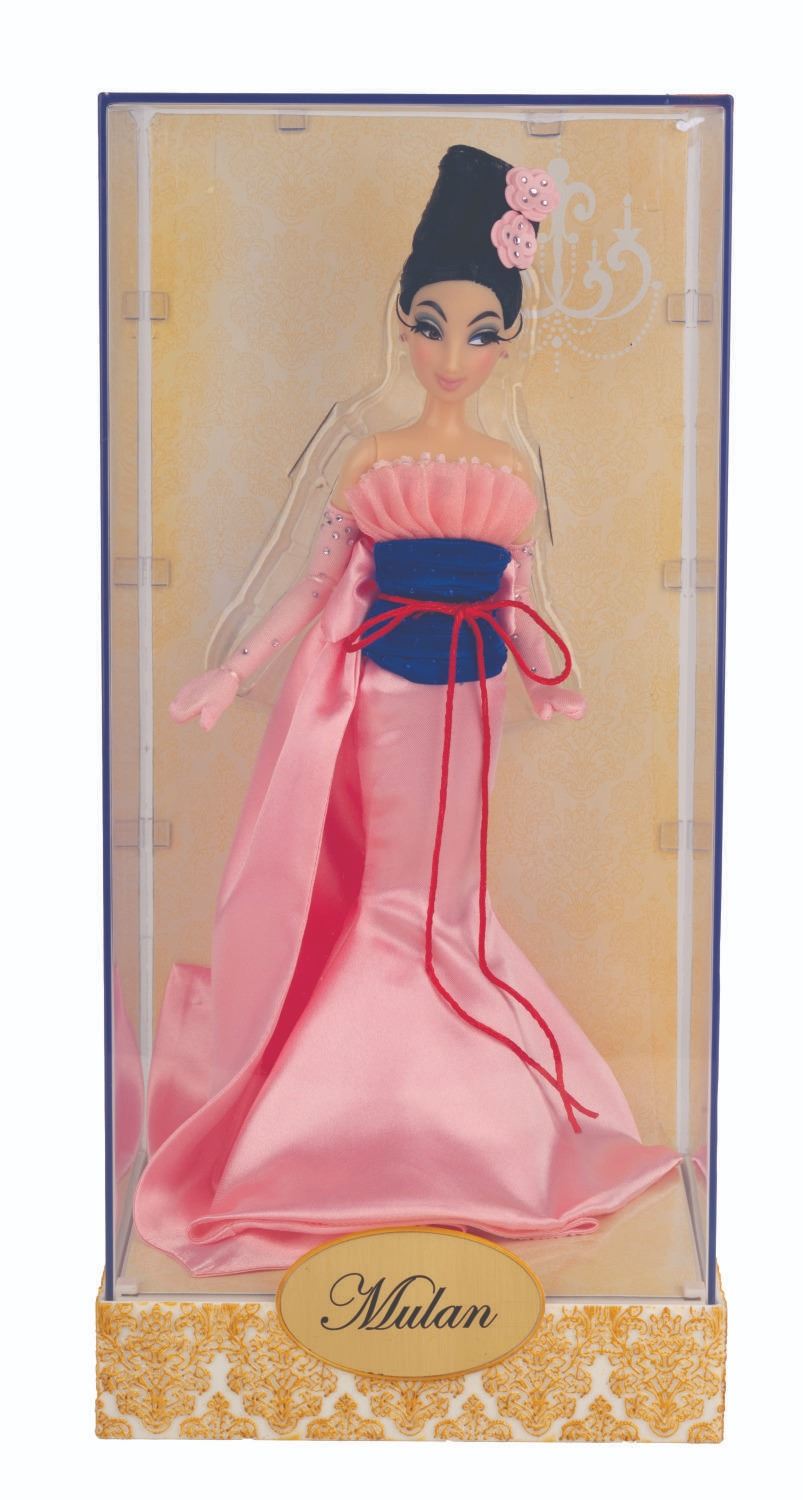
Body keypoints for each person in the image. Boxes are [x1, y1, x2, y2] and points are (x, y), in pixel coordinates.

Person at [133, 144, 680, 1277]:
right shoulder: (373, 461)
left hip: (469, 697)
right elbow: (312, 585)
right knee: (389, 887)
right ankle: (351, 1092)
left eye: (478, 332)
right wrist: (235, 671)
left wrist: (549, 677)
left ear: (507, 340)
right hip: (384, 693)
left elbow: (522, 595)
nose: (450, 355)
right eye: (430, 326)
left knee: (455, 893)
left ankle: (455, 1088)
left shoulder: (508, 473)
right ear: (402, 322)